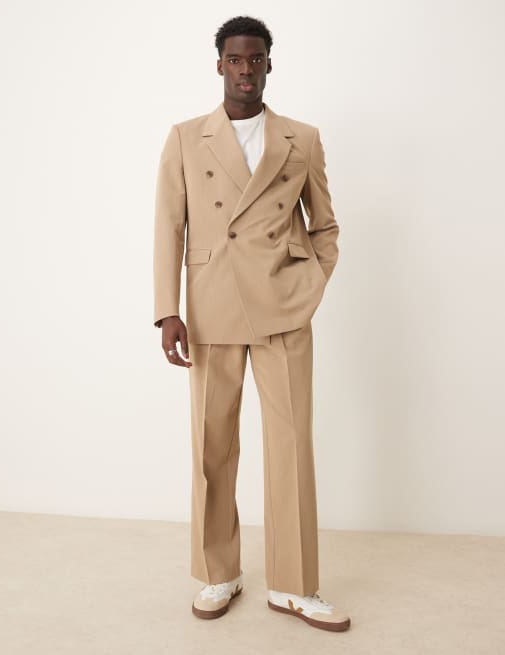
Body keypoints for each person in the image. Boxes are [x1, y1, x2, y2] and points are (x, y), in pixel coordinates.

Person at [153, 15, 350, 632]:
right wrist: (167, 310)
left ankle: (293, 585)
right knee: (212, 446)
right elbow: (169, 227)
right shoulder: (186, 137)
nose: (245, 70)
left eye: (255, 59)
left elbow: (324, 225)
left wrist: (309, 285)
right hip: (211, 304)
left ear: (269, 63)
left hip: (283, 307)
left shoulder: (301, 138)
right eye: (235, 60)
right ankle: (219, 572)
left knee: (291, 445)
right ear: (219, 65)